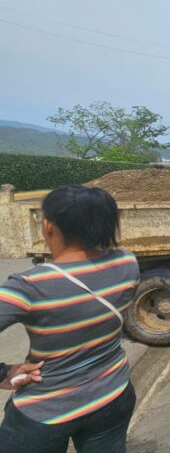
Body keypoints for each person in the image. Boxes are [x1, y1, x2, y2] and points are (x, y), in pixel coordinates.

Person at [0, 185, 140, 453]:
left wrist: (4, 373)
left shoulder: (29, 287)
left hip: (45, 413)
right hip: (113, 395)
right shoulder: (127, 264)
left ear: (48, 226)